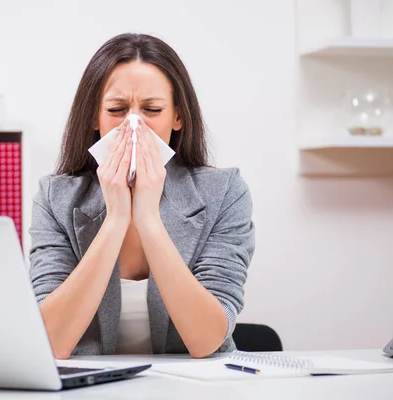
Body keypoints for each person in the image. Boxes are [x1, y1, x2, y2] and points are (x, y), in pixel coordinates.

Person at [28, 33, 255, 360]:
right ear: (94, 116)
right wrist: (116, 220)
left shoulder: (225, 192)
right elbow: (51, 343)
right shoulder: (54, 197)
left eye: (152, 109)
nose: (133, 126)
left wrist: (148, 219)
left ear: (178, 116)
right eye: (117, 109)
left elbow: (206, 340)